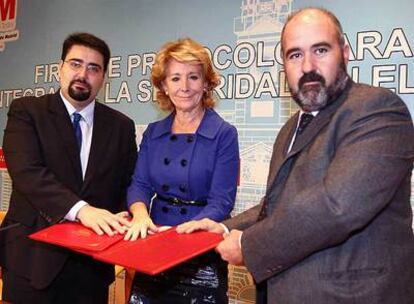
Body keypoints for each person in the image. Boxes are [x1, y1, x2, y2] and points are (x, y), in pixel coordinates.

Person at [177, 7, 414, 304]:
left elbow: (337, 205)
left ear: (346, 52)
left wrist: (249, 245)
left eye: (321, 50)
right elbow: (277, 206)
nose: (308, 66)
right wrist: (225, 227)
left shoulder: (378, 109)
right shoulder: (290, 128)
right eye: (295, 55)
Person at [0, 32, 137, 303]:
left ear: (104, 77)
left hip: (91, 269)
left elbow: (127, 182)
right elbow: (27, 172)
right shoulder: (27, 111)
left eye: (93, 68)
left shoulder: (121, 126)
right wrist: (83, 211)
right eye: (75, 64)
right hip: (32, 260)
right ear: (60, 67)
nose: (83, 74)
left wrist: (126, 216)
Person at [125, 38, 239, 303]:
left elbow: (222, 201)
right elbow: (140, 184)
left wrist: (189, 230)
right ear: (164, 86)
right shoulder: (154, 133)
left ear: (207, 83)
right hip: (156, 242)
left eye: (193, 77)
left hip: (199, 250)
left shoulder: (224, 134)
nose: (184, 87)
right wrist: (140, 215)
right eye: (175, 78)